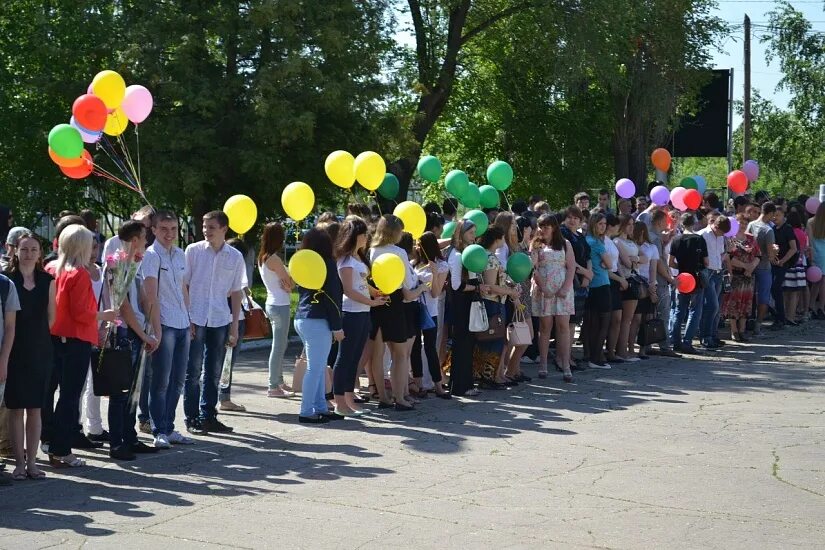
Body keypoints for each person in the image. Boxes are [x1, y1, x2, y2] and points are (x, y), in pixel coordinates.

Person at [47, 225, 118, 467]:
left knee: (55, 394)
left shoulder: (53, 269)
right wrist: (104, 316)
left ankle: (52, 443)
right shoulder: (79, 274)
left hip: (57, 337)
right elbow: (82, 313)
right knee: (69, 396)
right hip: (76, 339)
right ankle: (61, 449)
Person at [101, 220, 159, 460]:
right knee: (120, 392)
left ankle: (130, 436)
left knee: (133, 390)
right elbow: (123, 306)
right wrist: (143, 333)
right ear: (135, 239)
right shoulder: (116, 263)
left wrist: (152, 327)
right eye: (144, 237)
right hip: (123, 333)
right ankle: (117, 442)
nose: (147, 242)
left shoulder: (134, 262)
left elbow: (141, 299)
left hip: (135, 332)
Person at [183, 211, 244, 435]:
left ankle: (208, 415)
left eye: (211, 227)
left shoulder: (235, 257)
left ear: (224, 229)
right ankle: (191, 417)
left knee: (214, 371)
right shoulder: (193, 251)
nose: (206, 231)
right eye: (204, 227)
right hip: (196, 317)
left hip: (219, 317)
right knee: (193, 370)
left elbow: (236, 292)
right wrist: (187, 316)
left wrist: (235, 325)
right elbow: (185, 285)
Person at [141, 210, 195, 448]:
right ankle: (158, 429)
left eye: (173, 229)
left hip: (182, 322)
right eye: (163, 229)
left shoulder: (181, 254)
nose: (169, 234)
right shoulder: (151, 256)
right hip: (164, 323)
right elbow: (150, 295)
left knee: (178, 380)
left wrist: (189, 317)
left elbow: (184, 288)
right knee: (160, 381)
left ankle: (170, 427)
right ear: (153, 230)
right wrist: (156, 329)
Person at [4, 232, 52, 479]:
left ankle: (32, 463)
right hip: (13, 349)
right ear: (15, 251)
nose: (29, 254)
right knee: (15, 408)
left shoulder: (47, 280)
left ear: (40, 253)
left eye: (34, 249)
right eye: (24, 249)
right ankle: (19, 464)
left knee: (35, 408)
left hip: (40, 349)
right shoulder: (7, 280)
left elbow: (51, 318)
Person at [368, 216, 426, 410]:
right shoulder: (399, 252)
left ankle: (383, 396)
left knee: (378, 354)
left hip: (376, 302)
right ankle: (400, 397)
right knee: (400, 354)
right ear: (395, 232)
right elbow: (408, 283)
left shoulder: (371, 250)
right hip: (395, 304)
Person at [333, 218, 387, 415]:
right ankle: (340, 401)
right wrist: (372, 302)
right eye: (363, 234)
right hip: (351, 313)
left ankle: (349, 399)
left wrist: (376, 292)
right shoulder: (346, 261)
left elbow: (361, 283)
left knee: (355, 358)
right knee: (345, 357)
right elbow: (348, 289)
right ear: (353, 237)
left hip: (363, 313)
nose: (366, 238)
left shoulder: (358, 258)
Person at [293, 228, 343, 424]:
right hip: (318, 320)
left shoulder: (304, 261)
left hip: (302, 317)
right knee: (315, 368)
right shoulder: (328, 264)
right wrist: (337, 326)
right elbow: (332, 297)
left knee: (319, 366)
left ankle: (320, 406)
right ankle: (306, 410)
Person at [530, 214, 575, 382]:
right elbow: (533, 269)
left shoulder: (565, 244)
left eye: (546, 226)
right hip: (544, 288)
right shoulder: (535, 245)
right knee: (545, 326)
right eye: (541, 226)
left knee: (563, 325)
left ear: (554, 227)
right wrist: (544, 287)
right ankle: (543, 364)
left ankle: (566, 364)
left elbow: (571, 267)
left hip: (562, 288)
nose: (543, 230)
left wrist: (565, 287)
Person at [476, 227, 519, 388]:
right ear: (497, 239)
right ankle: (488, 377)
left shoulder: (485, 256)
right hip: (493, 303)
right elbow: (491, 286)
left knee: (488, 340)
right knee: (493, 341)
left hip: (492, 303)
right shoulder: (491, 259)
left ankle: (490, 376)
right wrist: (510, 291)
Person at [411, 232, 450, 398]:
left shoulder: (441, 266)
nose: (417, 247)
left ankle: (438, 385)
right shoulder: (414, 264)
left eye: (420, 245)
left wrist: (434, 274)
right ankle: (419, 384)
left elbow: (435, 293)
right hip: (413, 309)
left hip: (430, 311)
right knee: (414, 348)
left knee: (430, 348)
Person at [257, 222, 294, 398]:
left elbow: (286, 284)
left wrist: (288, 284)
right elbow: (290, 283)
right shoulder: (274, 259)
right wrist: (290, 282)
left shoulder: (263, 257)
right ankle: (273, 385)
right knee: (279, 345)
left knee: (280, 343)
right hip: (280, 305)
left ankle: (278, 381)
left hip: (273, 302)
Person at [447, 219, 482, 396]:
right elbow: (456, 285)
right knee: (462, 344)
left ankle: (466, 383)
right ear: (461, 234)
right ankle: (460, 385)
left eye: (474, 232)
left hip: (469, 303)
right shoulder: (457, 254)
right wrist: (476, 288)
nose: (473, 236)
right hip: (461, 304)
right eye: (470, 233)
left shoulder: (469, 252)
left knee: (468, 344)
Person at [218, 238, 252, 412]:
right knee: (227, 361)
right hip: (233, 319)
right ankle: (224, 398)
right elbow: (235, 294)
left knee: (219, 361)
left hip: (223, 318)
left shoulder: (219, 268)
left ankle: (221, 397)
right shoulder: (233, 269)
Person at [668, 213, 708, 354]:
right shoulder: (699, 239)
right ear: (694, 223)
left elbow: (671, 262)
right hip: (696, 278)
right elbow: (706, 262)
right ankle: (687, 342)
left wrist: (682, 268)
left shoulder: (676, 240)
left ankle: (675, 341)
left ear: (681, 224)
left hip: (682, 278)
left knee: (679, 310)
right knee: (695, 311)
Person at [503, 217, 535, 382]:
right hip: (515, 294)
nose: (516, 230)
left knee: (524, 336)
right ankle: (510, 370)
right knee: (522, 335)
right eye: (513, 228)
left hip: (524, 292)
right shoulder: (505, 249)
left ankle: (514, 369)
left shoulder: (518, 247)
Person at [647, 210, 680, 358]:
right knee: (663, 314)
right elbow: (659, 261)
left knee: (651, 314)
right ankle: (665, 346)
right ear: (660, 221)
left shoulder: (651, 236)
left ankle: (647, 344)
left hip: (653, 280)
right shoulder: (654, 238)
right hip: (659, 282)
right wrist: (670, 278)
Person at [721, 214, 759, 342]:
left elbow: (758, 255)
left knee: (746, 303)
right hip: (735, 275)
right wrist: (745, 266)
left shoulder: (751, 238)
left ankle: (742, 330)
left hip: (748, 276)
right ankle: (734, 330)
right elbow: (728, 258)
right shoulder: (729, 239)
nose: (742, 226)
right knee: (733, 303)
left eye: (744, 223)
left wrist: (751, 267)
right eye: (740, 223)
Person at [584, 213, 613, 369]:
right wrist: (605, 264)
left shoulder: (586, 240)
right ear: (593, 224)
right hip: (601, 284)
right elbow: (609, 264)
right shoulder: (596, 243)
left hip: (592, 285)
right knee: (603, 323)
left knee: (592, 323)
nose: (603, 226)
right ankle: (596, 357)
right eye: (600, 224)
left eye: (604, 224)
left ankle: (590, 355)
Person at [698, 215, 731, 349]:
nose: (722, 235)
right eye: (721, 232)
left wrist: (728, 251)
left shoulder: (721, 236)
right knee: (712, 306)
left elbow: (721, 255)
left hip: (717, 272)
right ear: (715, 226)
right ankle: (705, 336)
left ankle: (712, 335)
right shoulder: (703, 235)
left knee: (716, 307)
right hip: (708, 272)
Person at [628, 222, 658, 359]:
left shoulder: (652, 247)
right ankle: (630, 348)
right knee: (636, 318)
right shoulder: (630, 245)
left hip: (648, 284)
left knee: (647, 318)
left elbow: (653, 268)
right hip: (636, 283)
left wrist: (652, 286)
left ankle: (643, 349)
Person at [612, 214, 640, 362]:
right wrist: (635, 261)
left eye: (632, 224)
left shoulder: (630, 241)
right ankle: (622, 351)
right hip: (626, 279)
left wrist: (635, 261)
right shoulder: (617, 241)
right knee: (625, 319)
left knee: (629, 319)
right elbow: (628, 263)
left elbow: (640, 259)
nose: (631, 227)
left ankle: (625, 349)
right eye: (628, 224)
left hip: (633, 278)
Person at [747, 202, 777, 335]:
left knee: (748, 295)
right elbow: (770, 255)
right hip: (764, 266)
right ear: (770, 213)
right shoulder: (768, 230)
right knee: (763, 297)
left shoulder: (751, 225)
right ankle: (758, 326)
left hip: (749, 265)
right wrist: (775, 251)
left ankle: (746, 323)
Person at [770, 206, 798, 330]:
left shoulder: (787, 229)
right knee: (773, 289)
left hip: (783, 263)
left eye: (778, 215)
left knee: (776, 288)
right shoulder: (772, 229)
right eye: (773, 215)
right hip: (773, 262)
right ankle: (778, 315)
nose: (775, 217)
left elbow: (793, 248)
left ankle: (780, 318)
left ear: (783, 216)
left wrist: (782, 261)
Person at [807, 202, 825, 319]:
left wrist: (812, 258)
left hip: (816, 254)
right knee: (823, 283)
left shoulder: (810, 222)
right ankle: (821, 308)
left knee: (816, 283)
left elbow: (810, 242)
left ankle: (811, 305)